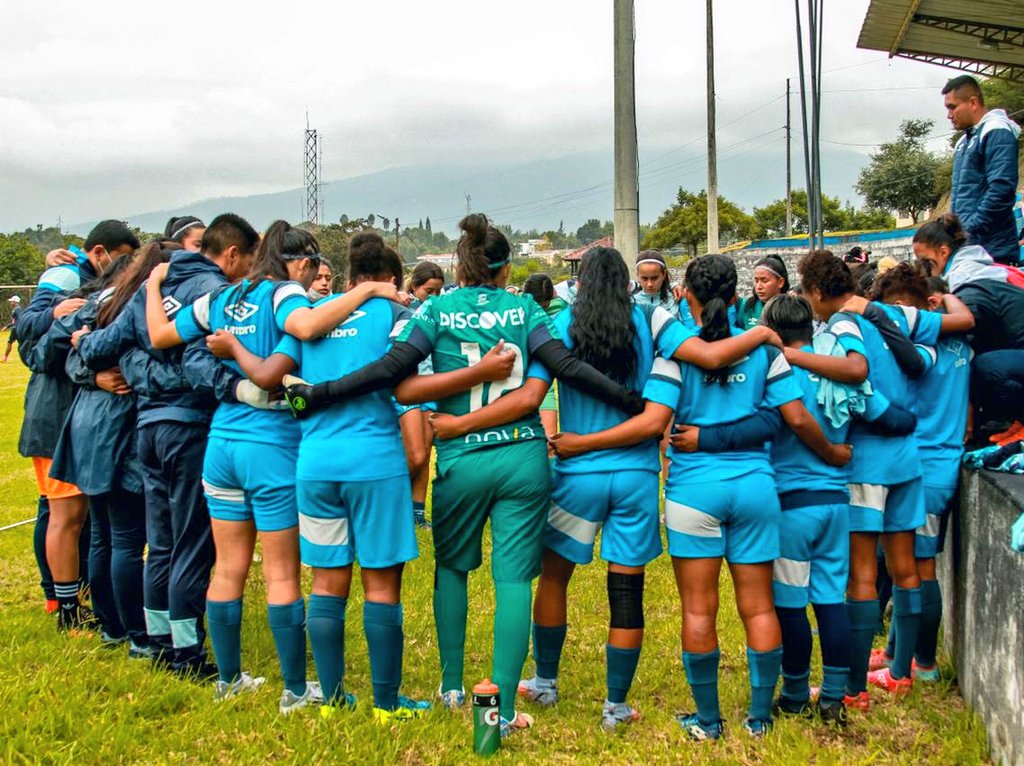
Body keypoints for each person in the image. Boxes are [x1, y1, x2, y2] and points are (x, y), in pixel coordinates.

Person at [284, 214, 648, 737]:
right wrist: (627, 400)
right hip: (522, 457)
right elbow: (564, 366)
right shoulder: (526, 308)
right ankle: (498, 702)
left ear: (464, 264)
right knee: (514, 579)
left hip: (460, 458)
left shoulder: (434, 307)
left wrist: (323, 394)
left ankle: (452, 684)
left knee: (452, 569)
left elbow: (394, 375)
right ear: (504, 270)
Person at [439, 247, 785, 731]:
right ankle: (615, 706)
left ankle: (545, 682)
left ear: (580, 285)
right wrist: (764, 335)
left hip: (576, 479)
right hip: (637, 480)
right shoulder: (652, 320)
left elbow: (534, 394)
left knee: (554, 580)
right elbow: (679, 386)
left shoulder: (557, 327)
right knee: (626, 592)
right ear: (627, 282)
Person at [143, 221, 397, 705]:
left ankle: (228, 679)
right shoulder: (284, 295)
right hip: (272, 446)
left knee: (228, 565)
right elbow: (305, 329)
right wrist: (368, 289)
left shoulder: (223, 296)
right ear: (299, 263)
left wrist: (154, 285)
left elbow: (159, 335)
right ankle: (296, 690)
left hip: (222, 443)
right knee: (281, 573)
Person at [282, 235, 474, 722]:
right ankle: (387, 704)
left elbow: (278, 376)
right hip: (373, 462)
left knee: (326, 583)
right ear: (392, 282)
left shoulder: (312, 317)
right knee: (381, 585)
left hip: (315, 463)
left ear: (349, 279)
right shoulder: (397, 317)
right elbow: (409, 397)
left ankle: (330, 699)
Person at [75, 214, 259, 676]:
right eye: (250, 260)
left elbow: (105, 345)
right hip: (190, 426)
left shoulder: (150, 288)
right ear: (232, 254)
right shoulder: (215, 293)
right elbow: (200, 365)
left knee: (160, 543)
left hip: (147, 429)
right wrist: (244, 386)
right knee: (192, 543)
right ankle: (187, 653)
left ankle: (154, 641)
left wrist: (96, 348)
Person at [792, 250, 972, 705]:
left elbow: (850, 390)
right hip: (909, 459)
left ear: (815, 291)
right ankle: (902, 671)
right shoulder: (898, 316)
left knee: (862, 576)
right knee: (907, 567)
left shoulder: (839, 330)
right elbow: (958, 324)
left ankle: (852, 689)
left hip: (866, 461)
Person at [48, 246, 177, 654]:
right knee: (124, 537)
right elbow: (63, 350)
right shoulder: (140, 306)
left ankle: (111, 626)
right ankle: (138, 634)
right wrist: (97, 375)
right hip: (114, 427)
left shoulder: (106, 300)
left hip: (88, 425)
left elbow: (73, 350)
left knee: (104, 534)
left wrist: (89, 370)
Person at [16, 220, 140, 630]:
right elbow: (37, 349)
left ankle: (75, 596)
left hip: (73, 419)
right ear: (103, 253)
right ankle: (64, 606)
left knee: (74, 517)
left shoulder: (87, 287)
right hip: (55, 418)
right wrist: (87, 364)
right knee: (63, 515)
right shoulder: (68, 285)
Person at [866, 266, 971, 683]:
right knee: (904, 563)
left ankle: (922, 663)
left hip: (927, 462)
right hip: (939, 457)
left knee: (920, 566)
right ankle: (897, 649)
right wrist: (945, 300)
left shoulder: (921, 345)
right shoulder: (961, 343)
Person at [912, 214, 1024, 440]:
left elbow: (959, 337)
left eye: (925, 262)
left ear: (944, 252)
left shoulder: (969, 282)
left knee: (985, 367)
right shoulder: (979, 269)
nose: (923, 269)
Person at [943, 75, 1022, 264]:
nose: (949, 115)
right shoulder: (963, 141)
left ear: (973, 102)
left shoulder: (996, 131)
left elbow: (1002, 189)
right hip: (969, 247)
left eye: (952, 107)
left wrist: (969, 227)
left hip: (992, 250)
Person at [522, 273, 568, 447]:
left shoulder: (563, 311)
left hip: (545, 379)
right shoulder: (517, 312)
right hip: (524, 381)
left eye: (544, 307)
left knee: (550, 442)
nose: (540, 312)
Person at [735, 256, 789, 330]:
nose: (758, 286)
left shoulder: (791, 308)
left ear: (780, 282)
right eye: (756, 281)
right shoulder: (746, 306)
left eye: (764, 281)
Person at [3, 294, 22, 362]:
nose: (11, 303)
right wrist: (7, 326)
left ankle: (4, 358)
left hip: (16, 329)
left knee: (10, 342)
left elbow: (20, 319)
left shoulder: (18, 310)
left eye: (12, 301)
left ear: (15, 302)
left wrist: (15, 326)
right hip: (17, 328)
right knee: (21, 344)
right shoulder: (16, 309)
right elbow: (14, 321)